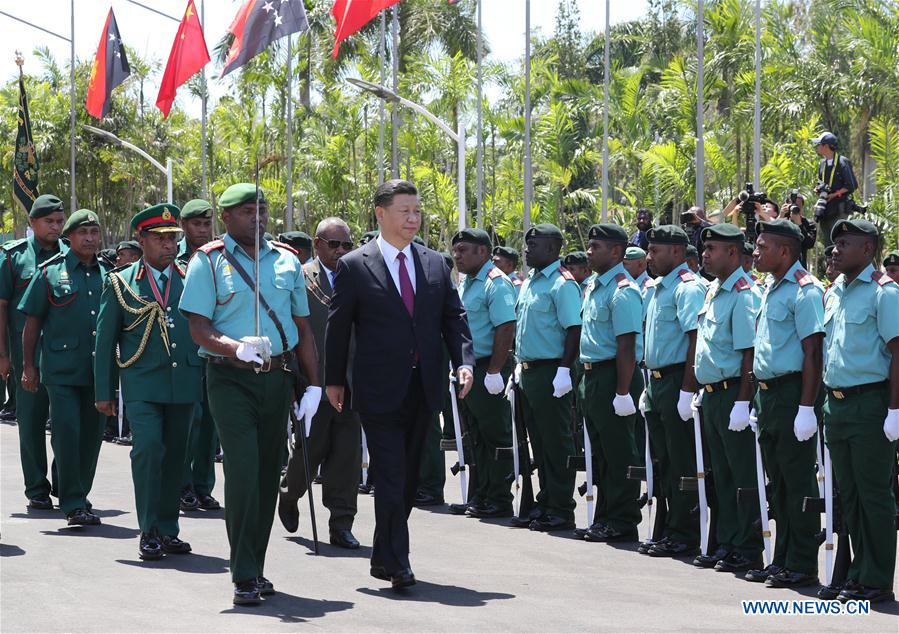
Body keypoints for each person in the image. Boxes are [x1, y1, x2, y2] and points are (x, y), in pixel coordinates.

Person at [324, 179, 474, 589]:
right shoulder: (355, 265)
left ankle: (382, 553)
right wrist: (333, 380)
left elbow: (453, 318)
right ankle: (399, 562)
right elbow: (338, 329)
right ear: (381, 213)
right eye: (404, 211)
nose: (413, 218)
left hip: (423, 386)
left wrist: (464, 362)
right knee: (390, 473)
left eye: (417, 211)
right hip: (377, 389)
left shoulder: (435, 263)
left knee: (406, 479)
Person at [180, 184, 321, 605]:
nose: (257, 218)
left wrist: (313, 383)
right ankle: (242, 572)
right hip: (229, 377)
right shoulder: (208, 262)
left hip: (277, 379)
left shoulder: (286, 261)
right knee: (242, 472)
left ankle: (255, 567)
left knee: (264, 474)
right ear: (225, 217)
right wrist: (234, 346)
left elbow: (303, 329)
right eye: (246, 211)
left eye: (261, 210)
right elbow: (198, 327)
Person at [94, 204, 202, 562]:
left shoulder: (191, 278)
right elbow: (105, 341)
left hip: (183, 381)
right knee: (149, 449)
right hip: (141, 383)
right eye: (160, 239)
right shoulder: (121, 282)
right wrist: (104, 392)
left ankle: (169, 529)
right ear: (142, 239)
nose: (169, 246)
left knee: (176, 456)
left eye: (173, 239)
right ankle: (149, 529)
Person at [822, 219, 899, 603]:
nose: (835, 249)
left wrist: (895, 410)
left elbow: (898, 352)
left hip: (870, 403)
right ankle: (856, 573)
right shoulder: (835, 291)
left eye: (845, 244)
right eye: (835, 243)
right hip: (836, 405)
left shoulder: (885, 294)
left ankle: (877, 579)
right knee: (847, 494)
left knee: (873, 494)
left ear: (867, 250)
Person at [745, 219, 824, 588]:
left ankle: (803, 563)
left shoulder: (805, 291)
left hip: (793, 393)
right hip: (769, 393)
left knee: (797, 481)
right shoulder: (769, 287)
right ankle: (782, 558)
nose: (756, 253)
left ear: (786, 252)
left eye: (763, 247)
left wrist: (806, 407)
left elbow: (813, 353)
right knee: (777, 483)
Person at [19, 209, 109, 527]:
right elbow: (32, 323)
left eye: (94, 232)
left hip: (99, 371)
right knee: (67, 433)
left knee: (91, 437)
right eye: (82, 232)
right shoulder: (50, 272)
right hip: (61, 370)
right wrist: (29, 366)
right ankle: (72, 502)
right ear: (68, 237)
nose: (89, 238)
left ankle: (79, 492)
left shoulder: (110, 275)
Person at [279, 217, 362, 550]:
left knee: (347, 456)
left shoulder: (359, 277)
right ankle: (290, 492)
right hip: (314, 381)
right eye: (334, 244)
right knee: (309, 451)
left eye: (346, 245)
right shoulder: (300, 278)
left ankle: (341, 523)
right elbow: (292, 331)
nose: (341, 251)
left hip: (352, 380)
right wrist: (295, 378)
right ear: (317, 244)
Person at [691, 223, 763, 571]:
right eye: (705, 249)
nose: (704, 255)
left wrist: (742, 401)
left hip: (735, 392)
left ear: (732, 253)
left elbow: (749, 352)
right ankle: (727, 541)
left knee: (742, 474)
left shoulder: (744, 293)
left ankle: (748, 548)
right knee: (720, 473)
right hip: (713, 395)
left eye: (711, 250)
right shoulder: (714, 290)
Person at [509, 223, 582, 532]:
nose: (527, 250)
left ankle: (561, 508)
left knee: (556, 443)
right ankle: (544, 501)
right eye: (527, 245)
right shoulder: (529, 283)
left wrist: (565, 370)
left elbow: (573, 329)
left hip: (553, 370)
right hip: (528, 371)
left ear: (552, 249)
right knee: (537, 443)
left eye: (534, 245)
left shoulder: (562, 284)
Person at [641, 225, 705, 557]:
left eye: (656, 251)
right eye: (649, 250)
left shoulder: (687, 288)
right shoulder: (658, 288)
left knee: (681, 461)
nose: (649, 256)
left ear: (677, 252)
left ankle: (684, 532)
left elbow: (695, 339)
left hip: (678, 379)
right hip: (657, 381)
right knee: (662, 460)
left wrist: (686, 389)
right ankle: (669, 526)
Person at [0, 194, 66, 510]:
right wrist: (3, 355)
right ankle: (37, 488)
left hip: (65, 356)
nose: (55, 227)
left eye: (59, 221)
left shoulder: (72, 256)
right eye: (48, 221)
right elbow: (1, 310)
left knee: (68, 424)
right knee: (30, 422)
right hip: (25, 356)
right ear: (32, 223)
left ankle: (66, 483)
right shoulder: (13, 258)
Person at [578, 223, 643, 542]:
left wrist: (622, 391)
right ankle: (604, 515)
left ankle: (623, 519)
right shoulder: (594, 284)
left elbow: (627, 345)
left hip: (613, 375)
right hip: (591, 375)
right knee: (601, 452)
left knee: (619, 452)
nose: (589, 252)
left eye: (595, 247)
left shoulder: (623, 290)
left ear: (615, 252)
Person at [451, 228, 516, 518]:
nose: (457, 255)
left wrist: (495, 372)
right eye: (456, 250)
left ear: (483, 252)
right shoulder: (468, 282)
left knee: (495, 435)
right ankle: (481, 494)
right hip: (469, 369)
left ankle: (500, 498)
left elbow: (505, 327)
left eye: (464, 250)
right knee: (475, 435)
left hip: (489, 366)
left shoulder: (495, 283)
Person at [175, 198, 220, 512]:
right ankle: (182, 484)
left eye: (206, 224)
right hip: (185, 352)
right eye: (196, 224)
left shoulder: (220, 257)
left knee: (211, 424)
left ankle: (203, 486)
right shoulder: (171, 256)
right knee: (188, 423)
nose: (202, 230)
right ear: (184, 226)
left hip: (215, 351)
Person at [812, 132, 858, 247]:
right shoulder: (822, 163)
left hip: (839, 209)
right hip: (824, 209)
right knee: (827, 242)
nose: (817, 147)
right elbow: (820, 181)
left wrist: (834, 195)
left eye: (819, 144)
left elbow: (851, 185)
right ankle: (829, 264)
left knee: (838, 239)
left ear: (826, 146)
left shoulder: (842, 162)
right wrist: (818, 189)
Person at [778, 194, 817, 268]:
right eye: (792, 204)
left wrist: (799, 224)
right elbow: (771, 238)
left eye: (797, 205)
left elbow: (809, 244)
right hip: (780, 265)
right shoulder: (781, 221)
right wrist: (781, 216)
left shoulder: (808, 223)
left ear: (802, 207)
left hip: (799, 266)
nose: (794, 207)